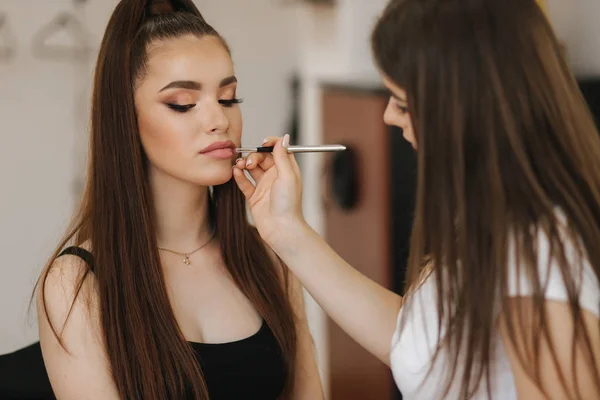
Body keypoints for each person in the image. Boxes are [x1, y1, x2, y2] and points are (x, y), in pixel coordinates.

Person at [233, 0, 600, 399]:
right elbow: (422, 345)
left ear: (467, 109)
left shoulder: (538, 252)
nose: (389, 116)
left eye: (403, 103)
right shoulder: (493, 216)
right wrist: (288, 231)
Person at [34, 0, 323, 399]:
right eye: (183, 104)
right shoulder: (77, 283)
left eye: (228, 99)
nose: (219, 121)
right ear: (126, 120)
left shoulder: (270, 259)